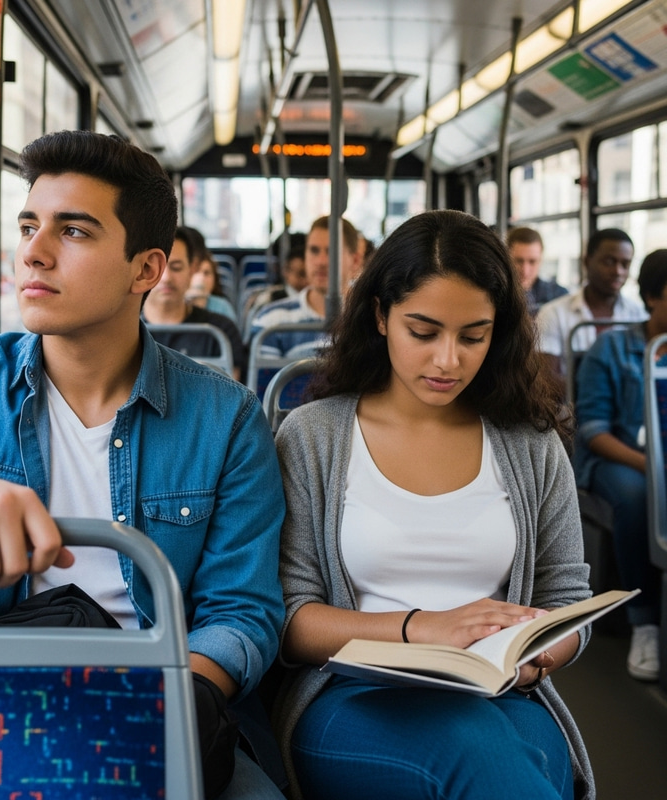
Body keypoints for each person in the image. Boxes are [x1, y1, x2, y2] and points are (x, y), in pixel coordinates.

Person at [0, 130, 286, 800]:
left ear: (145, 270)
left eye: (75, 232)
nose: (33, 251)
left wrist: (176, 701)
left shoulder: (227, 417)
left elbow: (243, 610)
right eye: (29, 225)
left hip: (160, 687)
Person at [271, 209, 594, 800]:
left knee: (505, 758)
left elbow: (567, 598)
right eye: (423, 332)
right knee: (484, 759)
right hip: (354, 694)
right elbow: (292, 618)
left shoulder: (531, 443)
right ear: (380, 317)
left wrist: (534, 658)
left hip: (502, 692)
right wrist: (423, 630)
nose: (449, 360)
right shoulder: (313, 436)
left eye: (473, 336)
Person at [573, 249, 667, 682]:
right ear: (650, 297)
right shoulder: (611, 348)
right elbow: (594, 431)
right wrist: (653, 466)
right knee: (638, 497)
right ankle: (644, 622)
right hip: (618, 459)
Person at [536, 228, 646, 396]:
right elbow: (546, 380)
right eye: (609, 262)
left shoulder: (638, 315)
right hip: (569, 414)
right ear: (587, 262)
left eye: (625, 264)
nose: (618, 271)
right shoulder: (553, 314)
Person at [143, 226, 247, 381]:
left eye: (176, 267)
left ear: (193, 269)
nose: (166, 277)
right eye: (157, 267)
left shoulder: (221, 331)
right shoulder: (118, 331)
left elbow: (232, 399)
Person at [250, 216, 362, 358]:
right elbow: (265, 379)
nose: (321, 261)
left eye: (332, 252)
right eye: (314, 251)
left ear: (355, 261)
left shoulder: (373, 318)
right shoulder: (271, 320)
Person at [506, 226, 568, 314]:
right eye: (519, 261)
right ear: (506, 259)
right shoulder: (495, 297)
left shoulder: (559, 296)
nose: (525, 270)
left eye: (532, 262)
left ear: (541, 260)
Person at [186, 252, 238, 321]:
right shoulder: (176, 304)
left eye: (206, 273)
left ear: (214, 278)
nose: (201, 278)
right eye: (196, 272)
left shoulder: (223, 307)